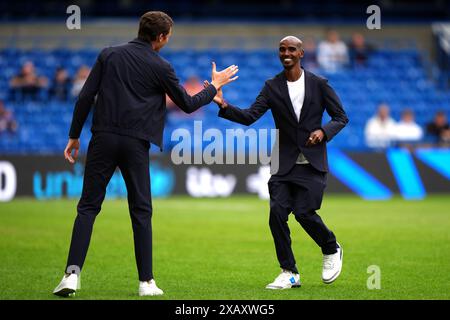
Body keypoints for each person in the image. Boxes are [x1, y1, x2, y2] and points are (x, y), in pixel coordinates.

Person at [53, 11, 238, 297]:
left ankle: (71, 275)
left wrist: (74, 135)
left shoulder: (109, 54)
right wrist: (214, 86)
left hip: (102, 138)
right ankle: (146, 283)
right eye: (168, 37)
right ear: (161, 37)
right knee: (141, 211)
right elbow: (188, 104)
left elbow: (85, 96)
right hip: (135, 143)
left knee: (88, 207)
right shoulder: (161, 66)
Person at [208, 36, 348, 289]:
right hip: (283, 163)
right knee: (276, 214)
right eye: (282, 49)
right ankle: (289, 272)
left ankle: (331, 247)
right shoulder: (272, 86)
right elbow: (251, 116)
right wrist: (224, 104)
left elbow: (340, 116)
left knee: (304, 213)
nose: (286, 53)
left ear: (301, 53)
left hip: (312, 162)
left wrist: (324, 132)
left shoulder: (320, 84)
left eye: (291, 49)